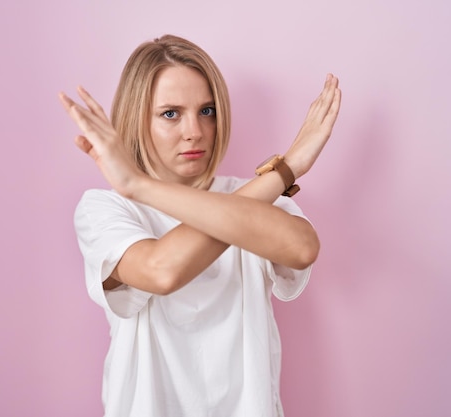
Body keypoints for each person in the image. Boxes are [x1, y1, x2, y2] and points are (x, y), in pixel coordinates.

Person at [60, 34, 341, 417]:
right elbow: (161, 271)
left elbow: (302, 247)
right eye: (170, 113)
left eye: (206, 111)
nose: (194, 131)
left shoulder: (252, 193)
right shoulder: (105, 207)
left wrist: (141, 185)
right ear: (136, 117)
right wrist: (284, 170)